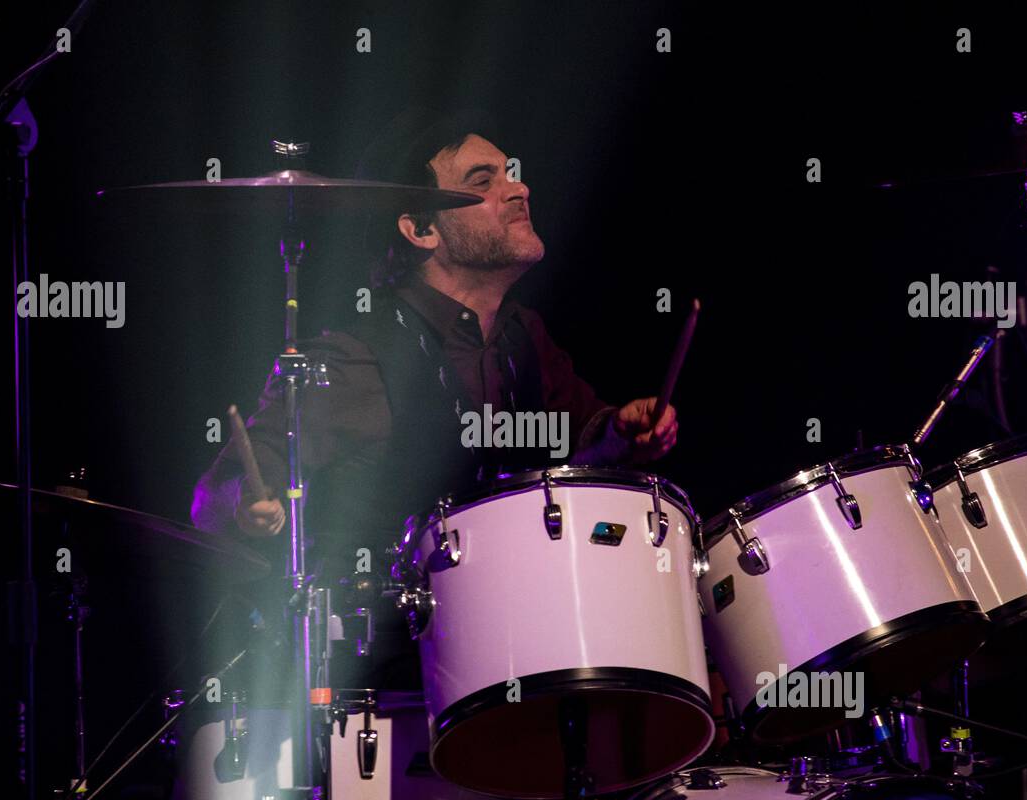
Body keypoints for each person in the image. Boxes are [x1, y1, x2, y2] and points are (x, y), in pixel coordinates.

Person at [192, 111, 679, 633]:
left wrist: (622, 432)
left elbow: (584, 441)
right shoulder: (354, 357)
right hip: (393, 673)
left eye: (510, 172)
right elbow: (216, 498)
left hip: (526, 639)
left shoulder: (523, 334)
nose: (519, 190)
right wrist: (246, 504)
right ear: (421, 228)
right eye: (483, 181)